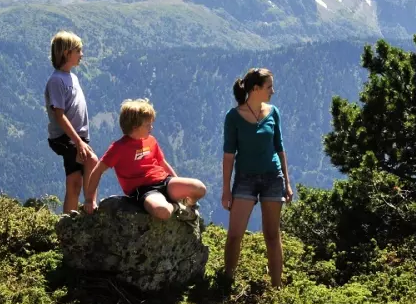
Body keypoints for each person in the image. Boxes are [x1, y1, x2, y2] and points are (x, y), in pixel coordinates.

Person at [221, 68, 293, 288]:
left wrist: (287, 183)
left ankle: (277, 287)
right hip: (245, 179)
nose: (273, 91)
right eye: (269, 86)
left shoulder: (274, 112)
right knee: (235, 234)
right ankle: (227, 281)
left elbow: (279, 148)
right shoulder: (233, 117)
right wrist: (226, 189)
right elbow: (228, 155)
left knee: (272, 234)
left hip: (273, 178)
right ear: (255, 89)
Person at [85, 98, 205, 221]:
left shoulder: (151, 141)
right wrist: (90, 199)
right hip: (143, 190)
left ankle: (188, 207)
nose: (151, 127)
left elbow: (162, 163)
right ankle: (176, 207)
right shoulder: (119, 148)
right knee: (162, 212)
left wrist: (177, 180)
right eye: (147, 125)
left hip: (165, 182)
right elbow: (98, 170)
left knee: (200, 188)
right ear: (135, 127)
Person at [45, 31, 98, 214]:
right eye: (78, 50)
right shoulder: (56, 80)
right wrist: (77, 141)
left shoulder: (71, 77)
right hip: (65, 136)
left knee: (74, 181)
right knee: (92, 160)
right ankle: (91, 206)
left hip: (78, 136)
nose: (81, 54)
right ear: (67, 53)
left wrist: (80, 139)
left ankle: (70, 220)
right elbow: (59, 115)